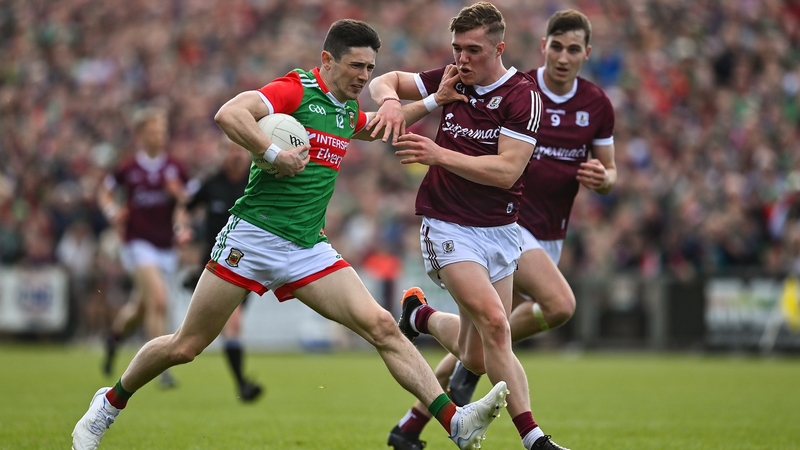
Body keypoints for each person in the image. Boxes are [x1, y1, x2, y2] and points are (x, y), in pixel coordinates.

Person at [72, 19, 510, 450]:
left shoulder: (343, 108)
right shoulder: (296, 89)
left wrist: (434, 100)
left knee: (382, 326)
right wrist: (271, 153)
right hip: (252, 238)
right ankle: (108, 404)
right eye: (355, 66)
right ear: (327, 60)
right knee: (185, 346)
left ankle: (456, 423)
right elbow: (229, 114)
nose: (363, 76)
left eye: (370, 69)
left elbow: (376, 126)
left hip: (307, 248)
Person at [383, 9, 616, 450]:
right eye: (457, 49)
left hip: (505, 227)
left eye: (473, 50)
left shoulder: (528, 96)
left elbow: (509, 171)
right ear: (543, 46)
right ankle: (535, 440)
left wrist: (605, 179)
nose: (462, 59)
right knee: (503, 322)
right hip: (451, 223)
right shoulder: (455, 78)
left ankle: (421, 320)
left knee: (476, 353)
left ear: (499, 49)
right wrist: (397, 103)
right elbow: (387, 81)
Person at [98, 106, 193, 389]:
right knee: (160, 301)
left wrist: (180, 201)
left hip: (165, 246)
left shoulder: (175, 167)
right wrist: (113, 210)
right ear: (140, 134)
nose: (158, 135)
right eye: (153, 131)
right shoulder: (129, 167)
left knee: (139, 309)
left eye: (162, 131)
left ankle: (113, 339)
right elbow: (103, 191)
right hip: (137, 244)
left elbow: (188, 202)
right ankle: (161, 370)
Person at [184, 136, 263, 402]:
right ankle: (242, 385)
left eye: (241, 149)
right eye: (230, 149)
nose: (237, 155)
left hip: (249, 267)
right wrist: (181, 229)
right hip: (216, 267)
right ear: (221, 153)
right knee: (230, 325)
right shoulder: (210, 184)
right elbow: (184, 208)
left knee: (201, 336)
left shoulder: (257, 179)